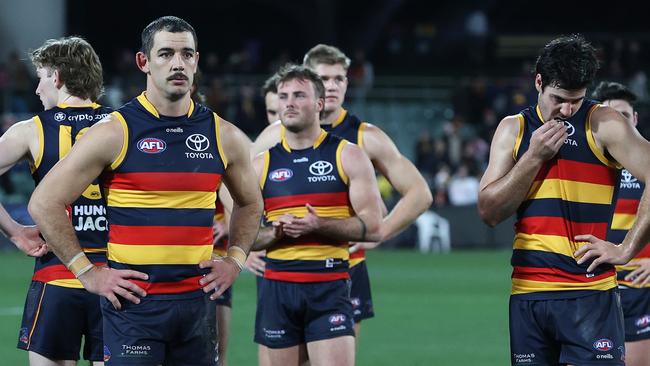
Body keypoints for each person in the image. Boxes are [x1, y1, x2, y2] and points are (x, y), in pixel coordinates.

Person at [28, 16, 263, 366]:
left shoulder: (223, 134)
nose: (178, 63)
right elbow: (44, 202)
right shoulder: (114, 131)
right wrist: (87, 272)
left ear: (197, 61)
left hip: (196, 305)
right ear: (144, 62)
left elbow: (250, 203)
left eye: (187, 54)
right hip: (133, 306)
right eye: (166, 53)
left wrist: (235, 260)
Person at [479, 34, 650, 365]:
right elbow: (489, 211)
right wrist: (533, 158)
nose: (567, 109)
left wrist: (626, 248)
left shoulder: (602, 124)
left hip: (591, 295)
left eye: (577, 99)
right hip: (529, 294)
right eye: (558, 98)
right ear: (538, 82)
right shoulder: (513, 130)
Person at [252, 44, 432, 340]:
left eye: (340, 78)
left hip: (344, 268)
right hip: (284, 268)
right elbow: (236, 189)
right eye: (324, 79)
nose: (332, 86)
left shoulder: (365, 137)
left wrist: (379, 232)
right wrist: (246, 250)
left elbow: (419, 193)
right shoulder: (276, 134)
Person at [251, 63, 382, 366]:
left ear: (320, 104)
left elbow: (373, 227)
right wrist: (275, 232)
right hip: (277, 289)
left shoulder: (348, 154)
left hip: (329, 284)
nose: (289, 103)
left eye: (299, 95)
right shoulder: (260, 165)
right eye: (283, 97)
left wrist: (318, 224)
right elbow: (245, 236)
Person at [0, 36, 109, 366]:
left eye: (41, 77)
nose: (37, 89)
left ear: (57, 77)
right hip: (116, 279)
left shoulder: (31, 130)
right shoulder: (125, 125)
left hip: (57, 276)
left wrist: (15, 231)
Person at [593, 81, 650, 366]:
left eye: (625, 116)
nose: (620, 124)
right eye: (612, 116)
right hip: (592, 288)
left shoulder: (647, 166)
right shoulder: (586, 163)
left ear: (635, 119)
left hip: (639, 288)